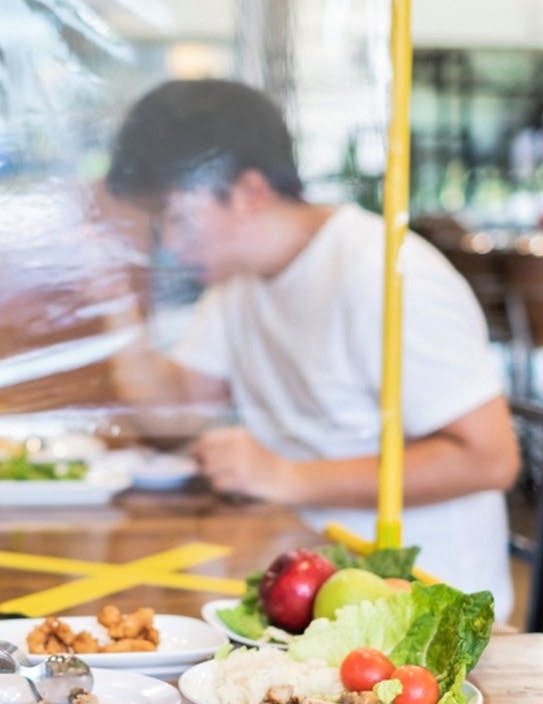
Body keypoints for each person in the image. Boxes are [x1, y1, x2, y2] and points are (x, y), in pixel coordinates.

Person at [103, 78, 520, 622]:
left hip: (420, 612)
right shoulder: (239, 281)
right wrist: (106, 295)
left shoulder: (385, 273)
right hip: (302, 585)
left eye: (176, 218)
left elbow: (490, 458)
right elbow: (173, 413)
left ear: (249, 191)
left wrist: (284, 476)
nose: (170, 245)